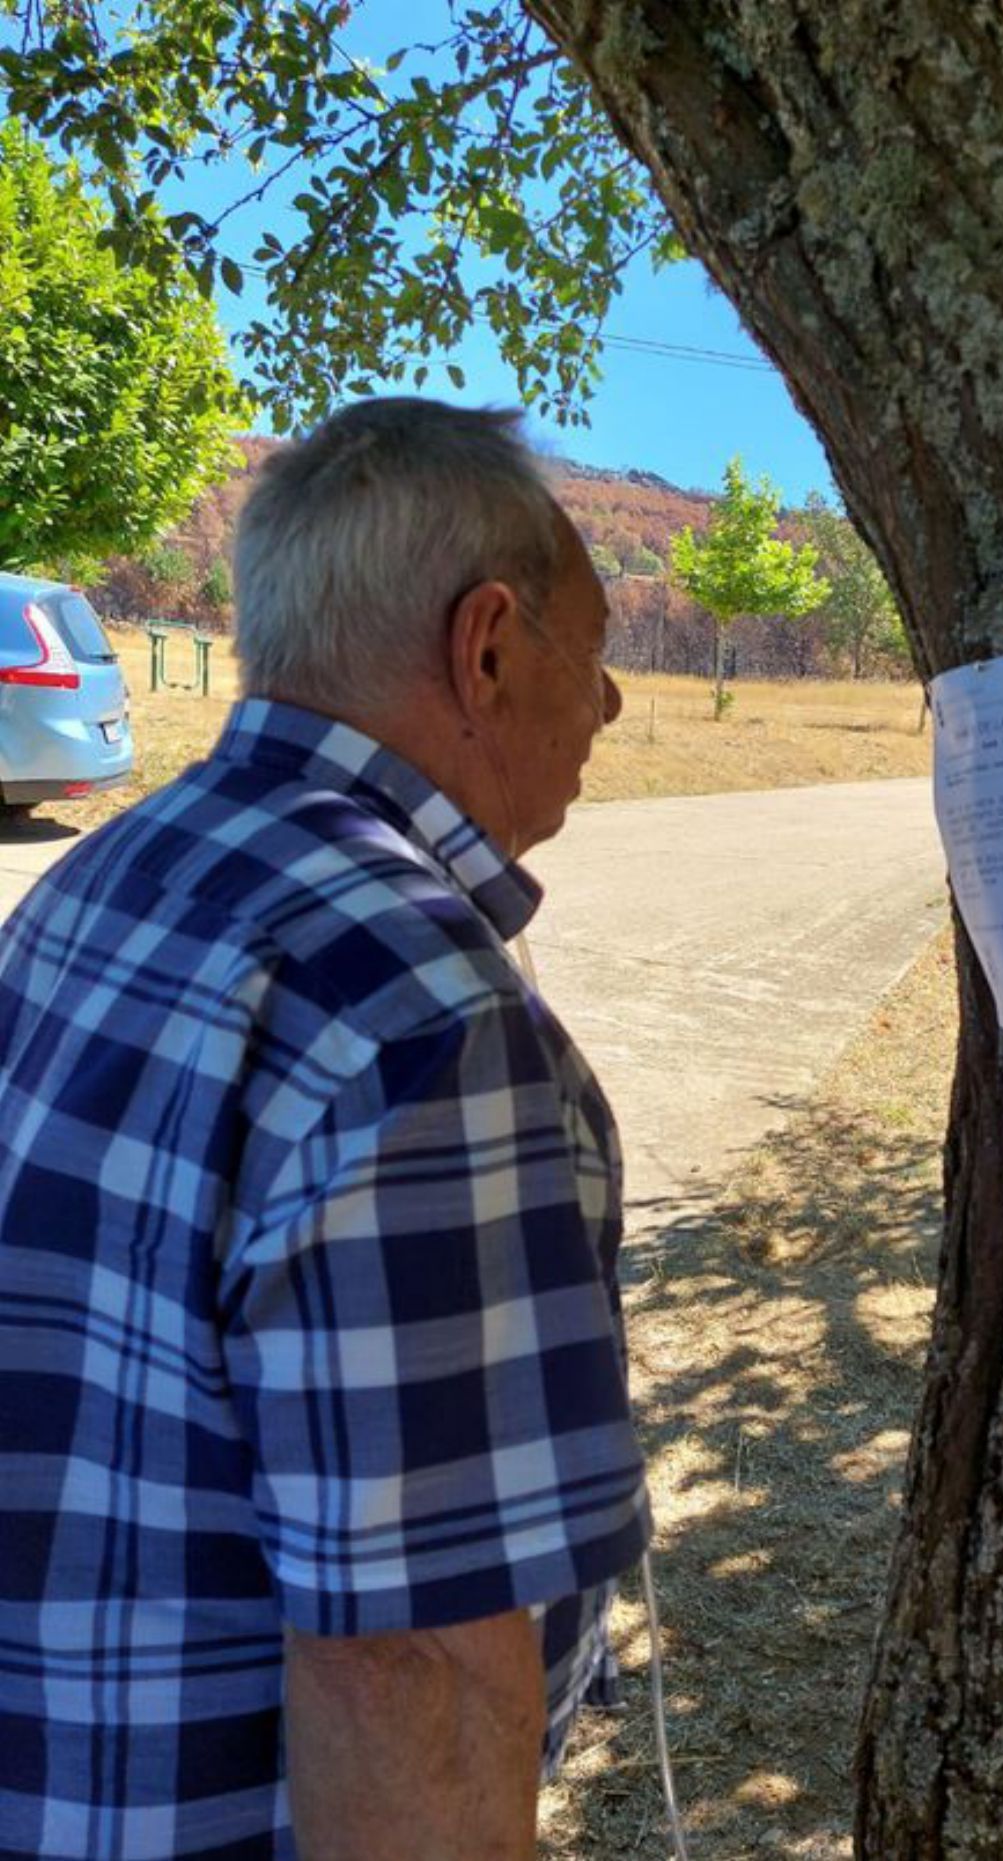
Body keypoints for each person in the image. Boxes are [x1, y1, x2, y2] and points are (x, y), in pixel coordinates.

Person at [0, 399, 651, 1859]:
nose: (606, 708)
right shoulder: (424, 1018)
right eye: (592, 655)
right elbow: (406, 1667)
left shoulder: (104, 876)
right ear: (486, 647)